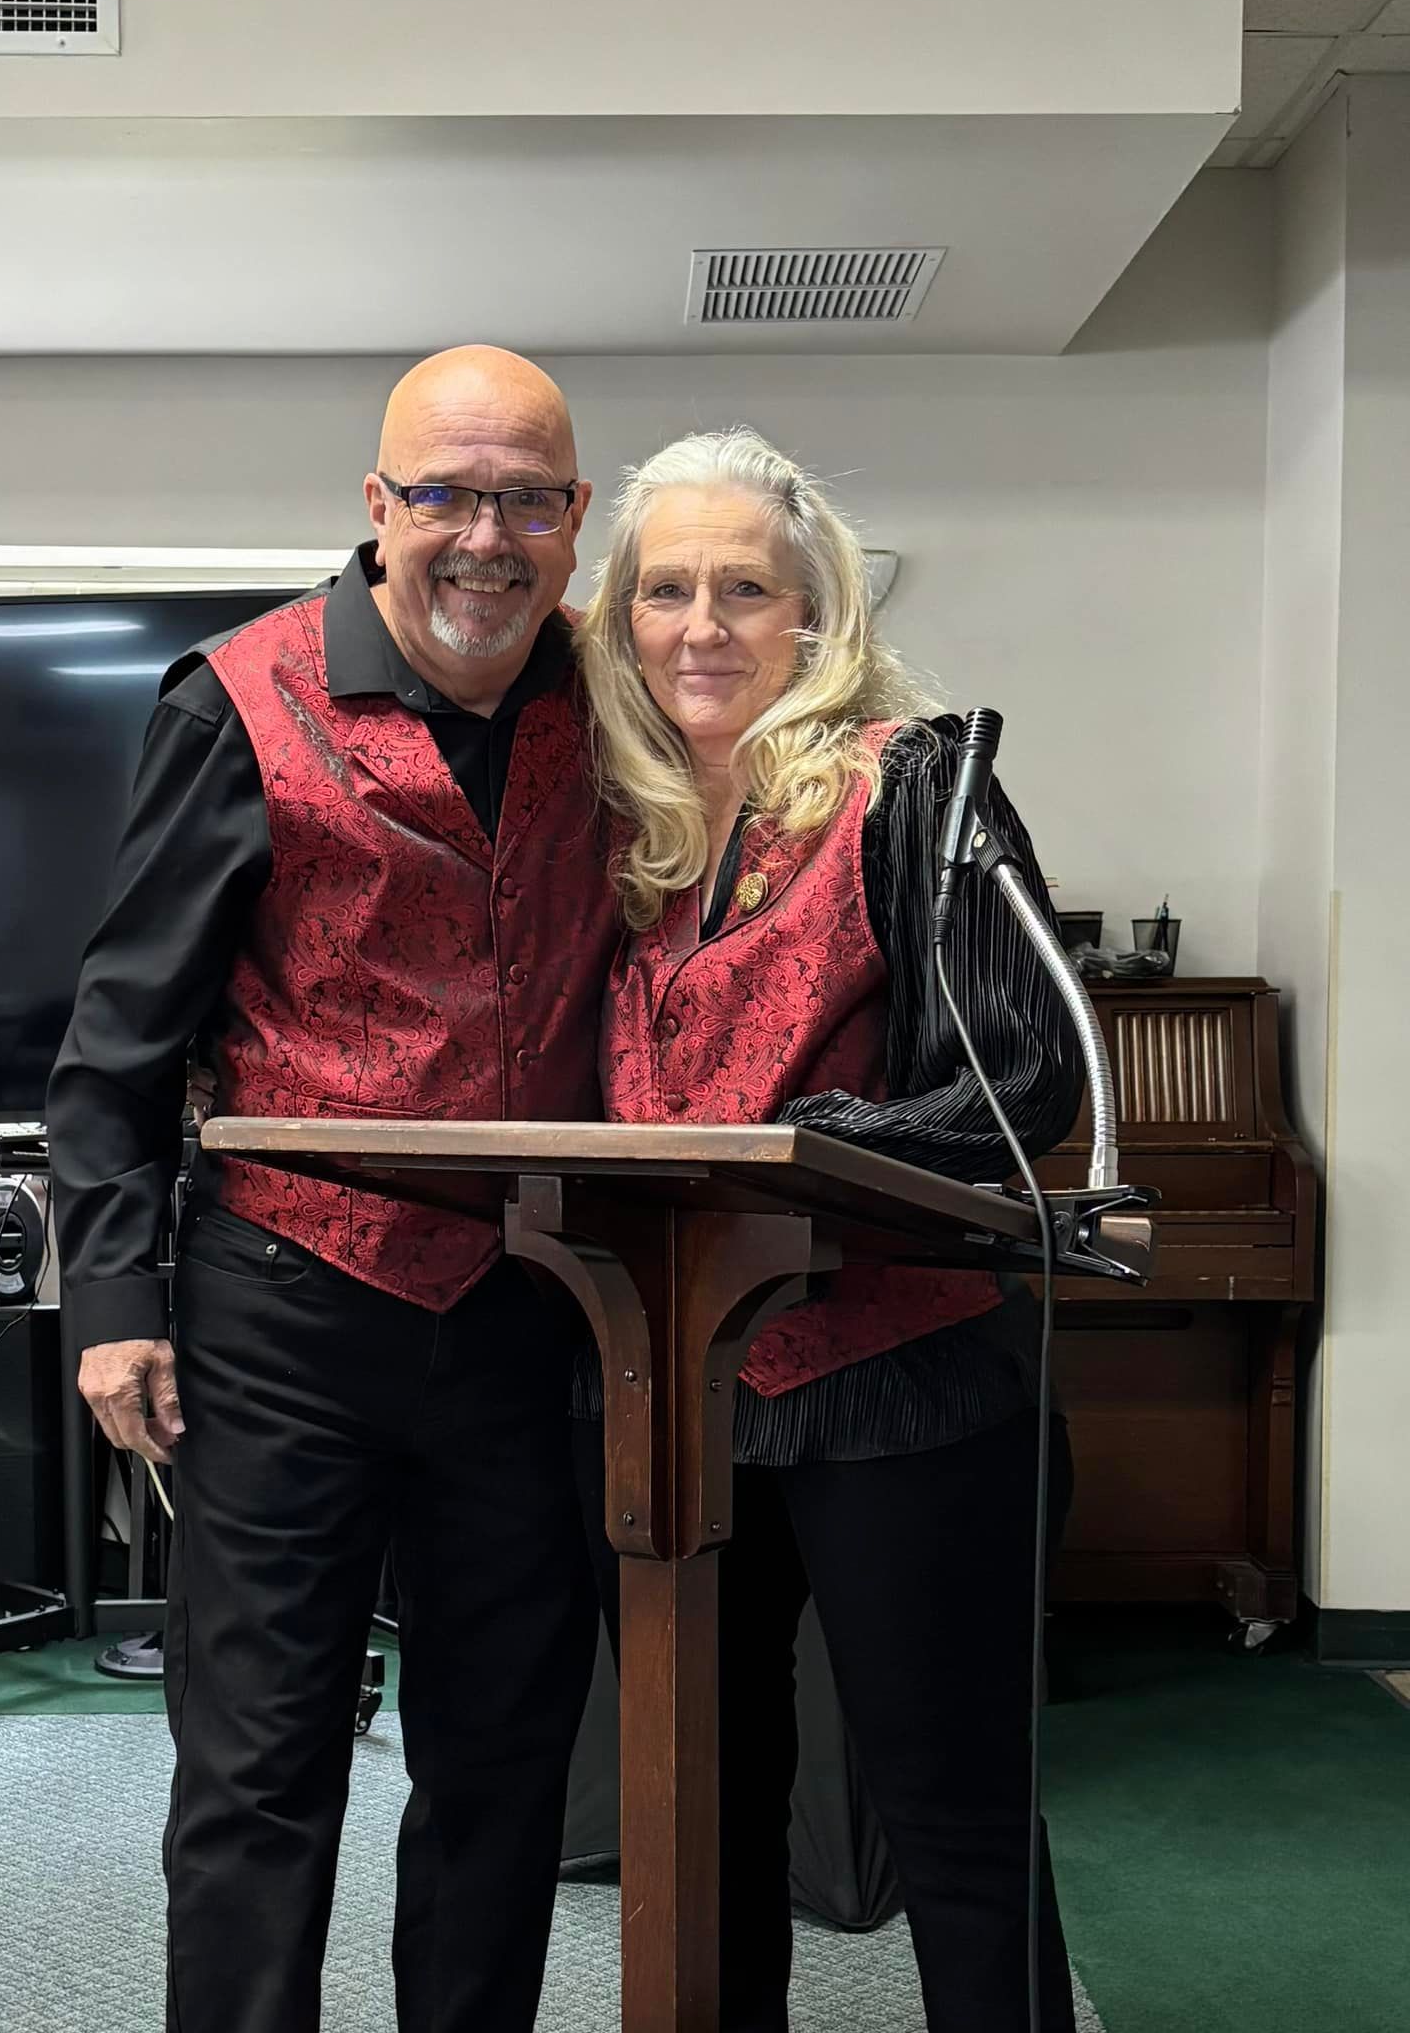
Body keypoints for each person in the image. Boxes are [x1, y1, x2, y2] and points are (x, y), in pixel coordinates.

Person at [47, 347, 620, 2033]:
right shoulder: (235, 697)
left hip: (532, 1315)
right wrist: (111, 1303)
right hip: (284, 1310)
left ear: (574, 522)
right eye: (444, 492)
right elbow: (117, 1039)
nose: (484, 535)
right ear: (379, 510)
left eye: (526, 497)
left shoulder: (621, 706)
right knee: (257, 1768)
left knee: (504, 1754)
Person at [572, 427, 1086, 2032]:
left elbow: (1031, 1079)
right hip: (674, 1402)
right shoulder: (603, 820)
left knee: (952, 1819)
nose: (703, 625)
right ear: (621, 616)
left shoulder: (912, 783)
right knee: (701, 1820)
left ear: (815, 612)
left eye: (747, 588)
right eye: (666, 589)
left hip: (904, 1387)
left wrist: (809, 1153)